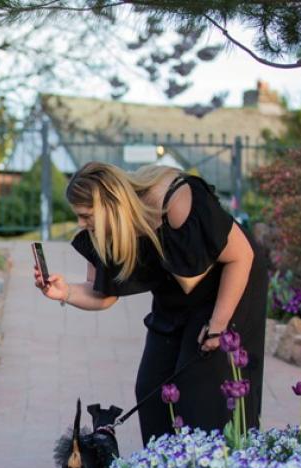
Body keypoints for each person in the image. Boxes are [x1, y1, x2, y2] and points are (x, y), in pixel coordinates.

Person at [34, 162, 267, 446]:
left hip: (227, 288)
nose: (82, 224)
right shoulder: (106, 231)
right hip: (175, 296)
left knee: (199, 389)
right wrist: (65, 292)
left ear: (110, 202)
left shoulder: (174, 200)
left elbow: (241, 255)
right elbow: (102, 295)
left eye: (86, 215)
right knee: (151, 386)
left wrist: (217, 327)